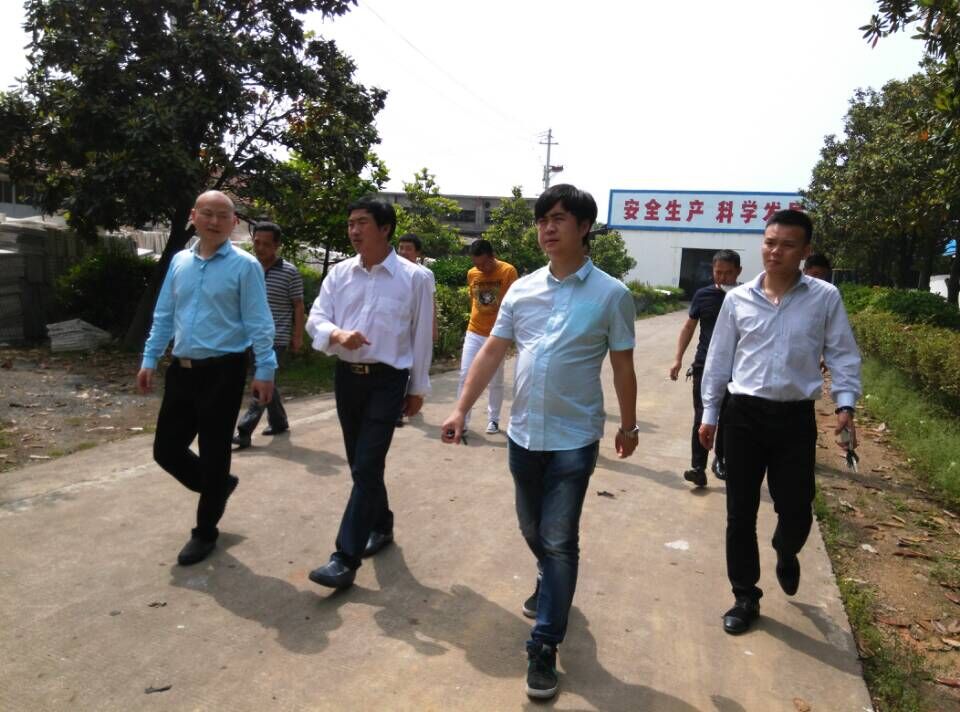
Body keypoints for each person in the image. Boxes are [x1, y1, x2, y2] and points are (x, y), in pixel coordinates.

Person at [441, 184, 638, 700]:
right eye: (542, 220)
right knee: (533, 529)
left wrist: (629, 424)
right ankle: (551, 579)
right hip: (525, 432)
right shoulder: (522, 289)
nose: (547, 228)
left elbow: (622, 365)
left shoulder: (612, 294)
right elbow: (491, 352)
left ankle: (544, 644)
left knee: (559, 538)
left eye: (558, 219)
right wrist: (461, 408)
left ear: (584, 227)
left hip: (575, 436)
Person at [699, 209, 861, 636]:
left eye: (787, 245)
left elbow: (842, 353)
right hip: (744, 416)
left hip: (794, 419)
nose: (776, 252)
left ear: (805, 251)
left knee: (797, 509)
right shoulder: (738, 299)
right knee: (740, 512)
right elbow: (719, 359)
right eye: (770, 242)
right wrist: (710, 414)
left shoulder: (824, 298)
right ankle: (745, 595)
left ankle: (785, 550)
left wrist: (845, 404)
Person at [137, 190, 277, 566]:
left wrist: (265, 369)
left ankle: (205, 531)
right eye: (207, 214)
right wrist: (150, 358)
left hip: (223, 371)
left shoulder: (245, 266)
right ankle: (218, 486)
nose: (214, 222)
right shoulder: (179, 262)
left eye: (223, 216)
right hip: (181, 370)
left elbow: (259, 322)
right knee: (166, 450)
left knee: (215, 452)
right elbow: (164, 314)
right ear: (194, 216)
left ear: (234, 223)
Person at [305, 197, 433, 590]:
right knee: (362, 465)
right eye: (351, 223)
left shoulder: (415, 278)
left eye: (362, 222)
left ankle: (345, 558)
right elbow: (316, 317)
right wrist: (336, 334)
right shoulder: (340, 274)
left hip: (387, 381)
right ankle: (382, 523)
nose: (354, 230)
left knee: (366, 464)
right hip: (348, 379)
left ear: (385, 228)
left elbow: (421, 336)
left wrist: (418, 387)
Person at [669, 250, 742, 488]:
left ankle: (721, 459)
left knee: (728, 416)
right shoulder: (703, 295)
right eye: (718, 272)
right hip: (704, 365)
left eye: (728, 273)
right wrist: (678, 359)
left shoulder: (747, 297)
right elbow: (689, 327)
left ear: (738, 272)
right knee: (702, 415)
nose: (722, 277)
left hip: (737, 369)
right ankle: (698, 467)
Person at [232, 222, 304, 448]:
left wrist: (298, 335)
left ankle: (244, 430)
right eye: (257, 243)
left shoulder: (289, 272)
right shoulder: (245, 267)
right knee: (267, 381)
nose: (260, 248)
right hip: (248, 336)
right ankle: (279, 421)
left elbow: (298, 305)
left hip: (276, 337)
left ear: (277, 245)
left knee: (260, 381)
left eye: (266, 244)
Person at [457, 239, 518, 435]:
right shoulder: (472, 273)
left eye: (484, 264)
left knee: (495, 379)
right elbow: (473, 299)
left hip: (497, 334)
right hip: (474, 331)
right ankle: (461, 420)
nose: (481, 268)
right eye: (477, 265)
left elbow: (514, 304)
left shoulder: (508, 271)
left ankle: (493, 419)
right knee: (465, 375)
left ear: (493, 256)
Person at [395, 233, 438, 427]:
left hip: (418, 328)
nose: (403, 252)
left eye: (408, 248)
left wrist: (432, 327)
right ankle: (397, 409)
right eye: (401, 248)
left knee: (414, 366)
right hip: (399, 330)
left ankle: (412, 397)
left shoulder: (424, 275)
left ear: (418, 253)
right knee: (399, 368)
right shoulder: (393, 272)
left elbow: (430, 304)